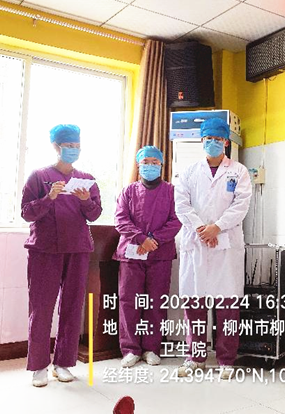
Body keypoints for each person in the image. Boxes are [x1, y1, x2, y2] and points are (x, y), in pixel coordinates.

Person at [21, 124, 102, 387]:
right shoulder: (39, 176)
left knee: (72, 306)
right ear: (56, 147)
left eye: (77, 146)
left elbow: (94, 214)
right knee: (41, 307)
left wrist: (85, 200)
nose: (73, 150)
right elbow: (26, 213)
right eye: (69, 146)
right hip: (45, 250)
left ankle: (63, 363)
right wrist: (49, 197)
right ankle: (38, 366)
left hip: (77, 249)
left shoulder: (86, 179)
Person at [174, 118, 251, 379]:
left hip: (225, 243)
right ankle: (195, 358)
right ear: (202, 141)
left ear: (226, 142)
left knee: (227, 305)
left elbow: (241, 205)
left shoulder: (238, 171)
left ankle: (226, 360)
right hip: (196, 243)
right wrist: (202, 229)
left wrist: (216, 227)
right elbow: (181, 204)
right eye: (208, 139)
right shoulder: (189, 172)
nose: (213, 143)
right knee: (194, 304)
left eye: (217, 139)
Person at [113, 146, 182, 368]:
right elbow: (121, 219)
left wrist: (154, 240)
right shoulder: (128, 192)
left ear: (161, 165)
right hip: (131, 254)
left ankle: (152, 348)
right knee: (129, 301)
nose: (150, 166)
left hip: (159, 254)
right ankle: (130, 349)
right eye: (146, 162)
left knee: (156, 301)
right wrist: (141, 239)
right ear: (138, 164)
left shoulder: (171, 192)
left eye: (154, 162)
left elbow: (176, 219)